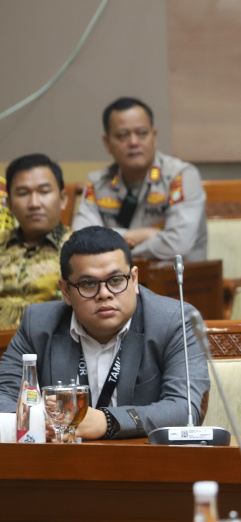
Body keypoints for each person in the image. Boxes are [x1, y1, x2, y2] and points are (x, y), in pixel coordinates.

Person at [0, 226, 209, 440]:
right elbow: (4, 396)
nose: (104, 294)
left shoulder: (173, 321)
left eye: (116, 280)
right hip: (59, 464)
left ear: (134, 280)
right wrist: (41, 420)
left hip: (143, 464)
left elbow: (186, 408)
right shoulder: (38, 324)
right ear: (66, 291)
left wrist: (107, 421)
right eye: (88, 284)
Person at [72, 97, 207, 261]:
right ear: (107, 143)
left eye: (142, 133)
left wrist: (118, 253)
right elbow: (81, 238)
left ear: (154, 136)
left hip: (179, 281)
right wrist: (136, 235)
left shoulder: (181, 176)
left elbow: (177, 244)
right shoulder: (98, 182)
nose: (134, 142)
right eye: (123, 135)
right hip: (118, 283)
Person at [0, 154, 72, 329]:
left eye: (44, 192)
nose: (34, 203)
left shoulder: (80, 249)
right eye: (23, 193)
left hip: (53, 350)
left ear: (62, 199)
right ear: (9, 203)